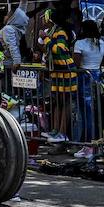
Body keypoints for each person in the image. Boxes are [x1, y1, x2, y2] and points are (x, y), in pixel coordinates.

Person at [72, 19, 104, 158]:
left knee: (86, 113)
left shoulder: (79, 43)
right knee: (96, 112)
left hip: (84, 76)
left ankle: (88, 145)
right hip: (98, 76)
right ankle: (95, 144)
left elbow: (76, 62)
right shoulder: (102, 43)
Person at [46, 9, 76, 143]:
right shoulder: (53, 31)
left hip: (66, 70)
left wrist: (46, 39)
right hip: (57, 71)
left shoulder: (61, 32)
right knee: (57, 101)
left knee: (65, 102)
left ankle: (63, 133)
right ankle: (55, 130)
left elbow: (59, 49)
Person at [0, 0, 31, 70]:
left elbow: (12, 46)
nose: (5, 17)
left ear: (12, 18)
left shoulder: (8, 29)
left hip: (9, 61)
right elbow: (22, 10)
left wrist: (17, 61)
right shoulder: (18, 26)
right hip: (14, 60)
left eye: (7, 15)